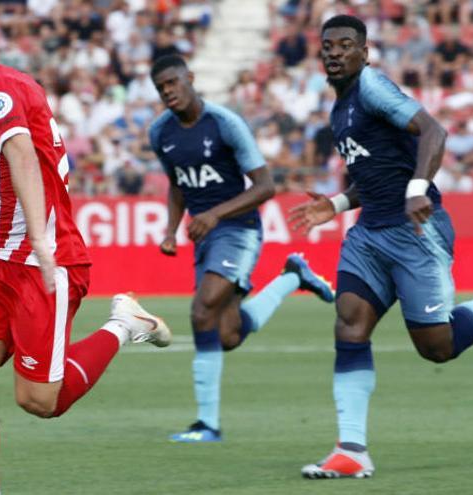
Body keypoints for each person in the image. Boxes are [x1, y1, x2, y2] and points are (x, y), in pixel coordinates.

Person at [0, 5, 172, 495]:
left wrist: (39, 238)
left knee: (41, 401)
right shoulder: (1, 89)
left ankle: (124, 325)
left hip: (42, 261)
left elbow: (21, 154)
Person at [288, 15, 473, 480]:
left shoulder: (372, 87)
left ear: (365, 51)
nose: (335, 52)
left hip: (415, 232)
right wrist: (337, 204)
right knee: (350, 324)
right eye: (328, 46)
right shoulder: (339, 111)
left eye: (345, 45)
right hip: (369, 234)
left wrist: (419, 186)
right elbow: (376, 175)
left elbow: (434, 133)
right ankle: (352, 450)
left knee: (436, 347)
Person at [149, 55, 335, 443]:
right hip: (204, 234)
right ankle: (291, 277)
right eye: (161, 87)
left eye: (172, 82)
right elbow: (178, 185)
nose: (168, 91)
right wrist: (170, 230)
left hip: (237, 229)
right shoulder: (160, 133)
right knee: (227, 335)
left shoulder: (225, 123)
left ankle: (207, 424)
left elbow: (266, 187)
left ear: (190, 78)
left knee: (202, 311)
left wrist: (215, 214)